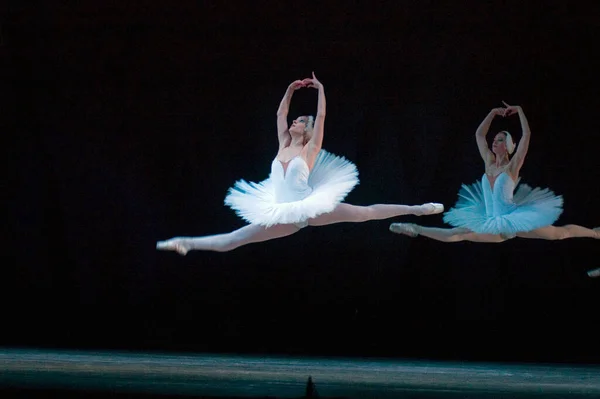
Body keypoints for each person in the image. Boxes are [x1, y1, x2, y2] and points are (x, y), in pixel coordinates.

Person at [156, 72, 444, 255]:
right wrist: (291, 90)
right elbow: (279, 115)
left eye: (300, 121)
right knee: (233, 240)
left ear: (306, 131)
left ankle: (417, 209)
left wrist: (320, 90)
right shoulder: (283, 143)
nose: (294, 121)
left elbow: (320, 119)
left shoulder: (311, 148)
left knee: (365, 212)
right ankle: (186, 242)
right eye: (295, 120)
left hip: (308, 207)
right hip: (280, 212)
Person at [390, 102, 599, 246]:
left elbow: (527, 134)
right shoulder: (489, 162)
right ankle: (414, 227)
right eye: (495, 138)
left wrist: (519, 110)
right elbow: (479, 134)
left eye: (499, 139)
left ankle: (595, 233)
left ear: (507, 146)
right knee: (459, 235)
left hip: (514, 219)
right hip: (491, 223)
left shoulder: (512, 166)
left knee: (559, 234)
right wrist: (492, 113)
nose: (494, 141)